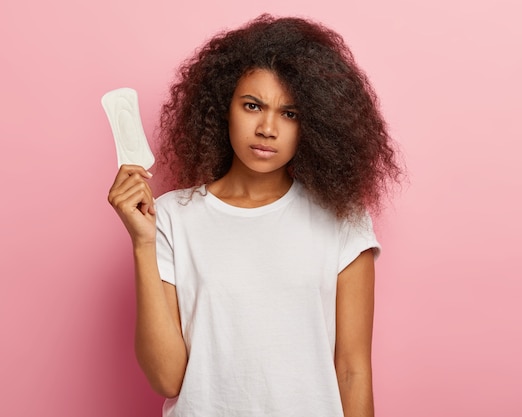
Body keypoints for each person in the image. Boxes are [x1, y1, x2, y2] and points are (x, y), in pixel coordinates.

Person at [108, 14, 401, 417]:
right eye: (252, 105)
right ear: (223, 108)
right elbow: (167, 379)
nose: (267, 128)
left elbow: (352, 370)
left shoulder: (342, 219)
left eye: (290, 113)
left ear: (315, 124)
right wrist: (143, 242)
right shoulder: (173, 217)